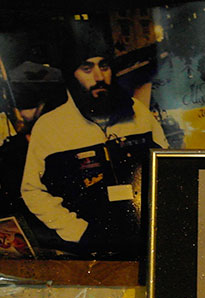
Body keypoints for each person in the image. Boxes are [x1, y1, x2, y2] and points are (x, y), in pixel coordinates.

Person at [20, 18, 168, 260]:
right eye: (87, 68)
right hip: (87, 253)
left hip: (144, 245)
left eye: (105, 66)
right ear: (71, 73)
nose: (99, 77)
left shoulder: (139, 114)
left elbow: (167, 169)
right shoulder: (50, 127)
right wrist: (77, 231)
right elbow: (32, 191)